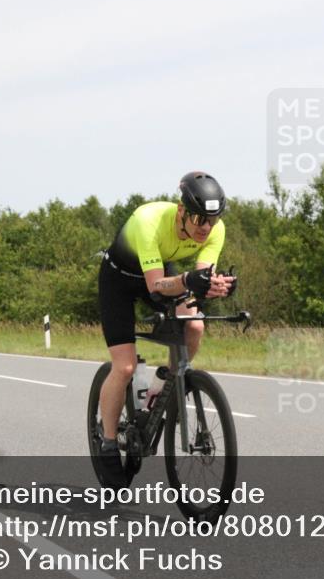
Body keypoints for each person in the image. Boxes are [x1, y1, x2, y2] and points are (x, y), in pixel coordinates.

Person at [96, 172, 236, 471]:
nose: (206, 228)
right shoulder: (148, 220)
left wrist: (215, 285)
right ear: (181, 211)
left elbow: (200, 279)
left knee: (195, 324)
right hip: (121, 280)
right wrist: (188, 279)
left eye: (212, 220)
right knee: (125, 367)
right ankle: (107, 441)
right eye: (199, 219)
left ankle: (167, 388)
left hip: (161, 273)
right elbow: (156, 287)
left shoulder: (215, 229)